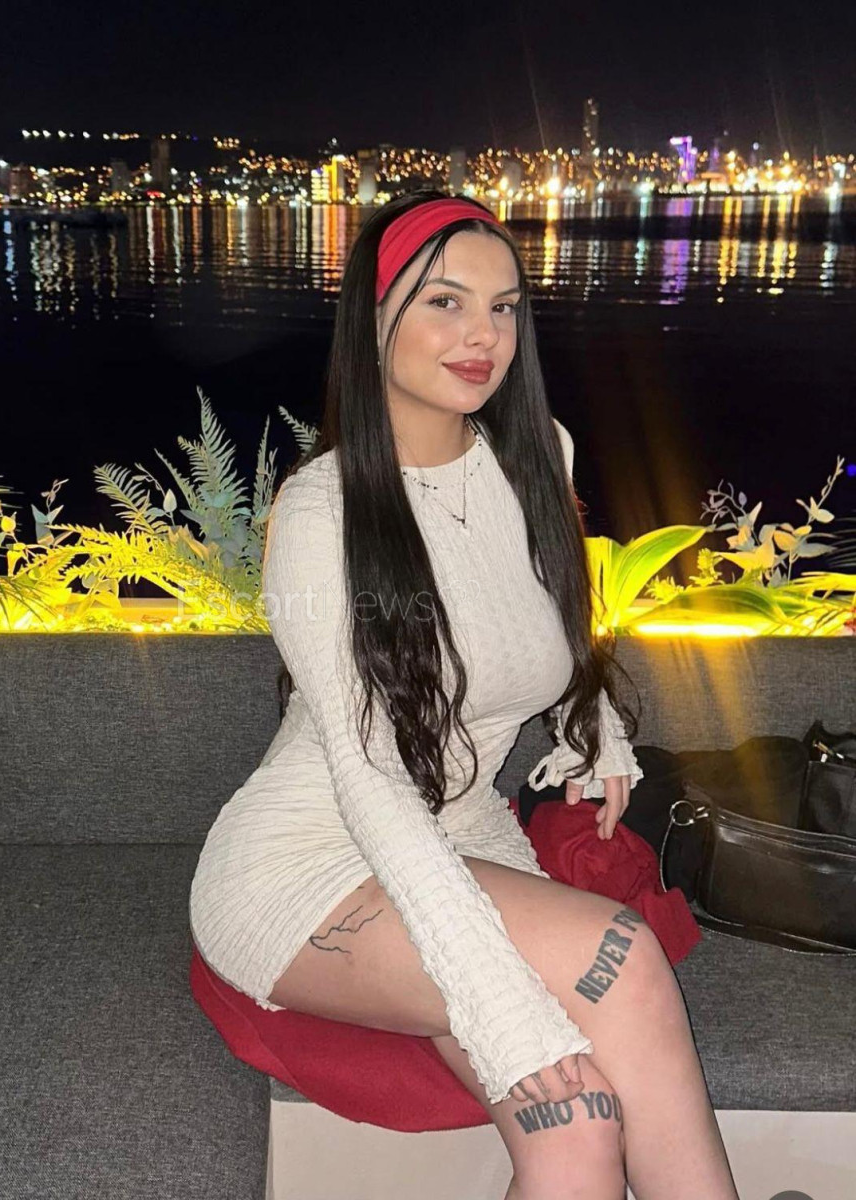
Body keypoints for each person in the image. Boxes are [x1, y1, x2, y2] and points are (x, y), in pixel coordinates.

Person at [189, 189, 740, 1198]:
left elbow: (544, 616)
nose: (482, 335)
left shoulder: (538, 455)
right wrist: (503, 1015)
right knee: (623, 959)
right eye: (444, 301)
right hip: (305, 864)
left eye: (504, 307)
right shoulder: (322, 515)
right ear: (373, 319)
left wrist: (592, 724)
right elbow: (368, 778)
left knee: (576, 1130)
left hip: (464, 833)